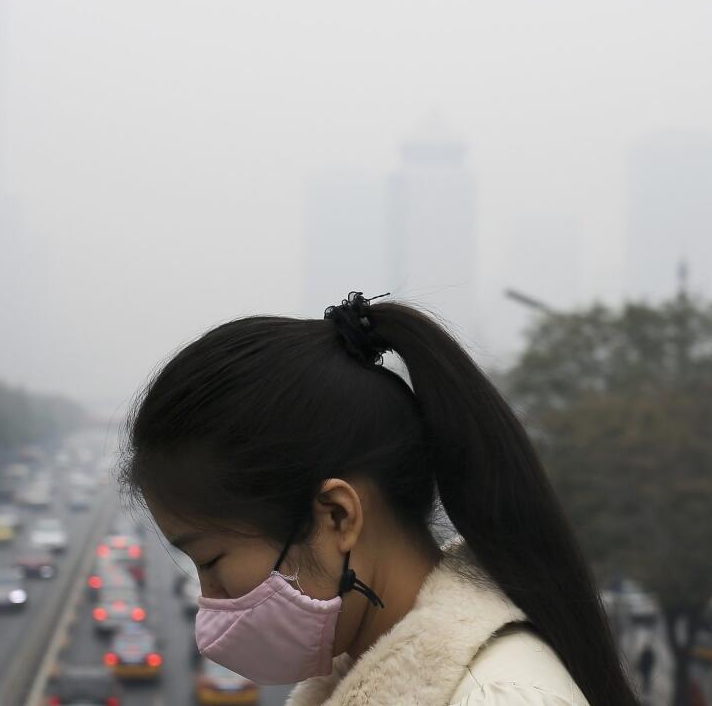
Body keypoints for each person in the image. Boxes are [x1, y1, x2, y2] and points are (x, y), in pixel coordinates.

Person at [120, 293, 639, 706]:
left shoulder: (498, 697)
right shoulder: (374, 674)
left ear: (337, 515)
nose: (210, 605)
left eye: (211, 561)